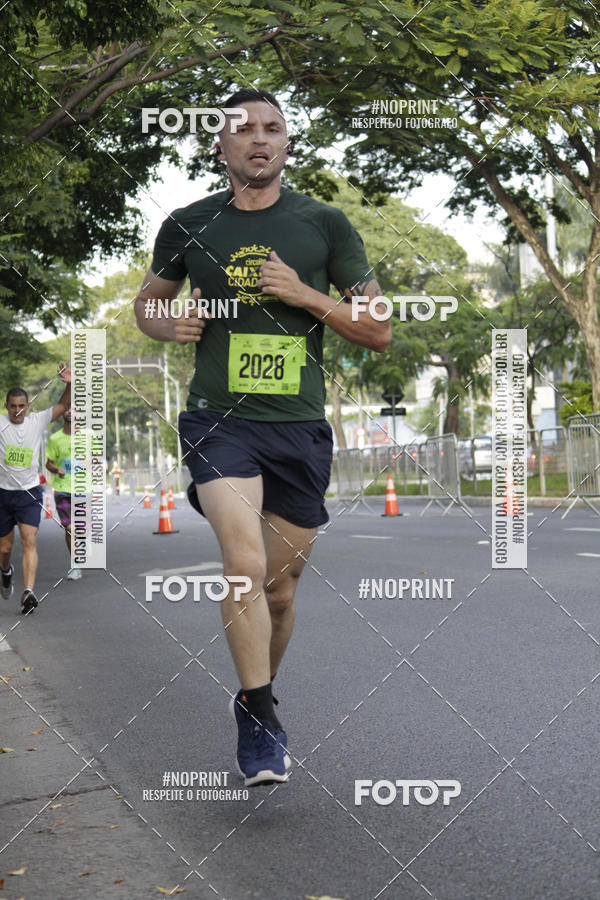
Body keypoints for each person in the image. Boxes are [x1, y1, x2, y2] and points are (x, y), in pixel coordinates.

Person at [135, 89, 391, 787]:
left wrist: (304, 294)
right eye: (243, 129)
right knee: (243, 565)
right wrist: (169, 326)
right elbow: (147, 306)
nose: (259, 138)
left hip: (300, 428)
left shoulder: (325, 225)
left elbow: (378, 329)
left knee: (279, 591)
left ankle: (258, 693)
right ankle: (257, 719)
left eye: (273, 128)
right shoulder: (189, 224)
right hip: (219, 419)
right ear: (220, 146)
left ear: (286, 144)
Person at [0, 364, 72, 613]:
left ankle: (28, 591)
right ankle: (5, 571)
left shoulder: (37, 421)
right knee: (5, 548)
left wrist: (70, 383)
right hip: (3, 494)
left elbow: (63, 406)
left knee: (30, 540)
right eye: (13, 406)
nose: (17, 410)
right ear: (7, 406)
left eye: (22, 405)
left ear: (27, 406)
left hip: (30, 493)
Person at [45, 408, 82, 581]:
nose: (69, 412)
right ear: (62, 414)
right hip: (62, 489)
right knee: (69, 528)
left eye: (73, 409)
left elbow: (97, 458)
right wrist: (56, 469)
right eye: (66, 409)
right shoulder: (55, 438)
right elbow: (48, 464)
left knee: (78, 528)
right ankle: (75, 565)